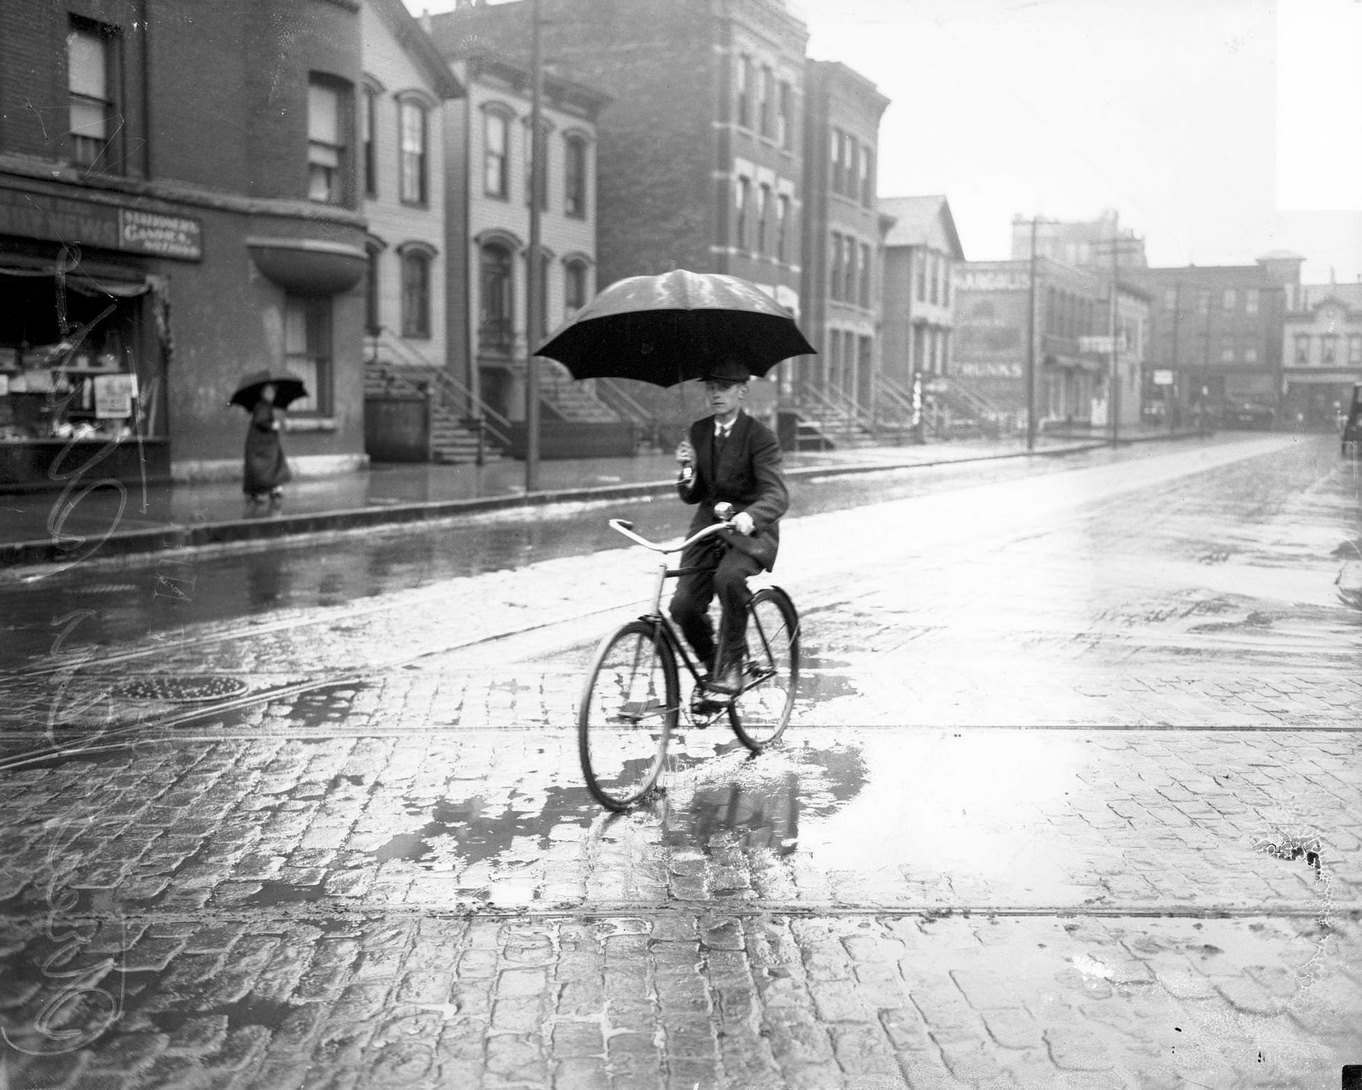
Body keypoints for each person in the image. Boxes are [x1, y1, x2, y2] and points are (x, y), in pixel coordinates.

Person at [670, 354, 789, 695]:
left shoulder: (760, 436)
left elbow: (777, 495)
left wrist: (750, 516)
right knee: (683, 607)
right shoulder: (699, 431)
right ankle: (714, 666)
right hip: (708, 527)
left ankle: (733, 663)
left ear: (742, 391)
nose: (715, 395)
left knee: (729, 578)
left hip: (751, 531)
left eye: (724, 388)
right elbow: (692, 496)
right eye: (710, 388)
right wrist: (687, 470)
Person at [242, 382, 291, 514]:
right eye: (270, 392)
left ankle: (261, 493)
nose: (272, 394)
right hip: (262, 447)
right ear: (264, 393)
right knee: (270, 467)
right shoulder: (262, 405)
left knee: (264, 469)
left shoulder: (263, 405)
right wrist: (272, 425)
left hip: (262, 445)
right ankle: (273, 491)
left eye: (273, 392)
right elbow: (261, 421)